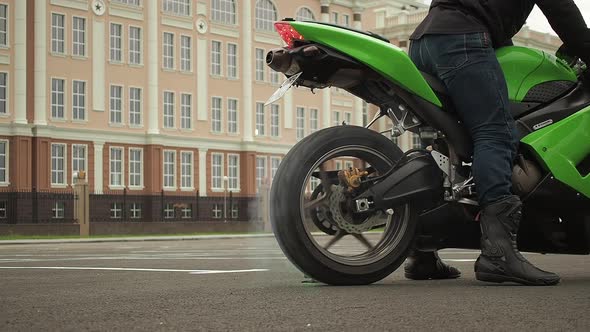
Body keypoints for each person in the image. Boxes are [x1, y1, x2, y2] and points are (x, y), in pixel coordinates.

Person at [403, 0, 590, 285]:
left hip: (423, 42)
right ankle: (499, 254)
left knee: (448, 142)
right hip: (461, 40)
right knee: (496, 133)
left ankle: (421, 252)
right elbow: (562, 12)